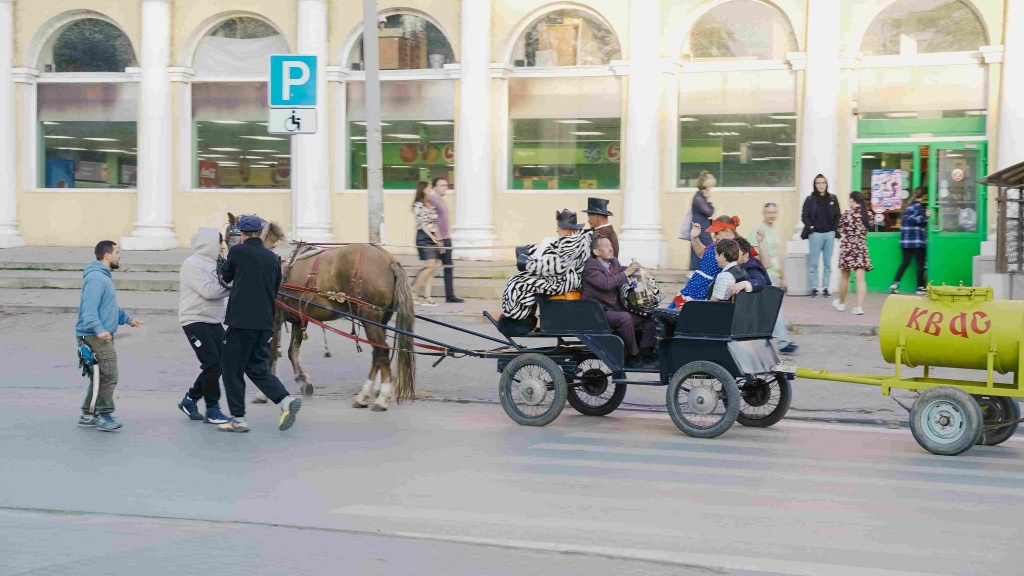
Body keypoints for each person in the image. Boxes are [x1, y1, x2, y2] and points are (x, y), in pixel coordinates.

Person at [217, 214, 302, 433]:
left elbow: (226, 277)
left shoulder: (237, 251)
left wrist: (222, 262)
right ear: (261, 233)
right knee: (257, 368)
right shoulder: (273, 258)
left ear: (242, 234)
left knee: (231, 369)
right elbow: (275, 288)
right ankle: (285, 400)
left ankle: (238, 419)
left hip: (241, 322)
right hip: (264, 323)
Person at [74, 241, 143, 431]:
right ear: (107, 255)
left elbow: (109, 306)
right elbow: (89, 309)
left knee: (100, 377)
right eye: (117, 252)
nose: (119, 256)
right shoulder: (96, 278)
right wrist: (99, 330)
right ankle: (103, 415)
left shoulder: (103, 276)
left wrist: (128, 319)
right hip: (94, 336)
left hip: (98, 334)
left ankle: (88, 415)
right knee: (109, 375)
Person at [177, 227, 231, 424]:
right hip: (195, 319)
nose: (222, 246)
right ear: (209, 243)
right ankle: (212, 410)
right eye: (220, 242)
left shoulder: (217, 263)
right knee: (213, 364)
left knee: (222, 363)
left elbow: (225, 282)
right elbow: (209, 291)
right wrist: (234, 288)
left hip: (214, 319)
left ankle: (190, 399)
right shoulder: (192, 264)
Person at [500, 210, 593, 326]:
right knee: (521, 278)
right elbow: (553, 249)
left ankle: (519, 320)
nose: (557, 230)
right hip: (563, 278)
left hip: (564, 281)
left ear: (567, 228)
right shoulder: (573, 239)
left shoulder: (572, 242)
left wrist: (528, 263)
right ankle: (524, 315)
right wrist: (527, 251)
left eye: (559, 226)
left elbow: (559, 266)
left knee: (518, 283)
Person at [582, 236, 657, 368]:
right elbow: (606, 283)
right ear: (596, 252)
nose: (611, 248)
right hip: (599, 312)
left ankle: (647, 354)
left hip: (615, 309)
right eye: (606, 246)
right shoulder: (591, 266)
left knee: (648, 315)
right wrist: (627, 272)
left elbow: (621, 271)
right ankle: (633, 356)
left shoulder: (613, 262)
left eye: (611, 245)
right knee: (625, 318)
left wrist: (638, 270)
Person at [669, 215, 740, 307]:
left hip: (704, 291)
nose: (714, 236)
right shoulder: (717, 243)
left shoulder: (737, 248)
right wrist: (694, 238)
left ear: (727, 231)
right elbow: (702, 253)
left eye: (716, 232)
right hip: (693, 286)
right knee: (669, 312)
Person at [833, 192, 873, 315]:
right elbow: (869, 228)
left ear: (852, 200)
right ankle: (859, 307)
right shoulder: (868, 214)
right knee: (860, 279)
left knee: (845, 277)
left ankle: (841, 303)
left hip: (848, 246)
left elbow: (840, 229)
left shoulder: (847, 214)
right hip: (861, 246)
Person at [801, 174, 840, 297]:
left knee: (827, 263)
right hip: (815, 235)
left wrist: (833, 229)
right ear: (815, 185)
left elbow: (838, 215)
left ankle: (826, 288)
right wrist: (810, 227)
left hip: (829, 234)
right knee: (814, 264)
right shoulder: (810, 199)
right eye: (818, 183)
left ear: (826, 184)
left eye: (823, 182)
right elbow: (804, 215)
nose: (821, 185)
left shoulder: (833, 198)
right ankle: (814, 288)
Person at [427, 177, 464, 304]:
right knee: (430, 268)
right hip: (439, 239)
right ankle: (417, 291)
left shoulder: (441, 201)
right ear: (435, 187)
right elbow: (433, 220)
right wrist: (439, 239)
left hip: (446, 238)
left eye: (446, 185)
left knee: (448, 266)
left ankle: (450, 295)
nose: (445, 188)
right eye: (442, 185)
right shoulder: (432, 200)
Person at [890, 187, 930, 296]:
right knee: (920, 264)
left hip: (906, 241)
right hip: (916, 240)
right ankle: (920, 287)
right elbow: (917, 220)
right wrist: (926, 216)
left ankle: (895, 283)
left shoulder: (907, 206)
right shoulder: (918, 206)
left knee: (905, 262)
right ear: (924, 196)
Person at [411, 181, 443, 306]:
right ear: (423, 189)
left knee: (432, 268)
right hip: (424, 237)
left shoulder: (430, 204)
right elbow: (422, 223)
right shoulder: (418, 205)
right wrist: (431, 237)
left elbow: (434, 223)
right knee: (429, 267)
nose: (431, 190)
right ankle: (413, 291)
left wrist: (439, 239)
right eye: (429, 188)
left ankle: (427, 297)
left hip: (433, 236)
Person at [689, 171, 716, 270]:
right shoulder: (699, 198)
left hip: (703, 226)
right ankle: (699, 269)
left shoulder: (700, 197)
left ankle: (702, 269)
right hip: (700, 227)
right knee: (705, 248)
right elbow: (709, 212)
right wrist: (708, 200)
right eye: (709, 187)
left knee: (705, 248)